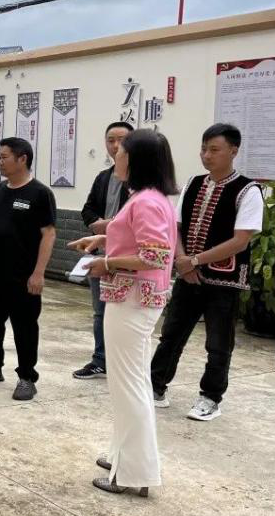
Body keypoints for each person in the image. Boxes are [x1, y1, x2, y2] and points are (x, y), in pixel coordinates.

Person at [70, 129, 178, 497]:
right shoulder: (148, 197)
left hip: (132, 299)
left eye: (122, 149)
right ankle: (124, 456)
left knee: (129, 385)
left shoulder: (146, 200)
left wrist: (107, 262)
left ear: (136, 159)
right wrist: (103, 240)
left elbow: (157, 255)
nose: (115, 153)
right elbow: (140, 239)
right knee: (128, 384)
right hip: (134, 298)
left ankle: (133, 473)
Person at [150, 123, 264, 422]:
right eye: (204, 149)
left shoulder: (248, 191)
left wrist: (195, 260)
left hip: (224, 280)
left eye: (214, 149)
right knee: (171, 334)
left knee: (218, 343)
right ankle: (155, 386)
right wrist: (182, 259)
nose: (206, 155)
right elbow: (176, 227)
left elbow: (241, 240)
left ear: (233, 151)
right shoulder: (193, 182)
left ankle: (210, 397)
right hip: (188, 275)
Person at [0, 137, 56, 401]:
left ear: (22, 159)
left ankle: (27, 377)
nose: (0, 162)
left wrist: (39, 273)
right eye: (0, 157)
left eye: (4, 157)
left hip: (24, 276)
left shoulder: (40, 193)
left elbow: (48, 234)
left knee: (25, 327)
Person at [73, 121, 133, 380]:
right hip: (101, 253)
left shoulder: (142, 184)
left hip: (129, 258)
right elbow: (87, 209)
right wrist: (98, 226)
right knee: (100, 310)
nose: (115, 146)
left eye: (121, 140)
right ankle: (100, 360)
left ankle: (124, 363)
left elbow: (134, 221)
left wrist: (111, 226)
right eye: (110, 140)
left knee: (127, 313)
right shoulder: (103, 177)